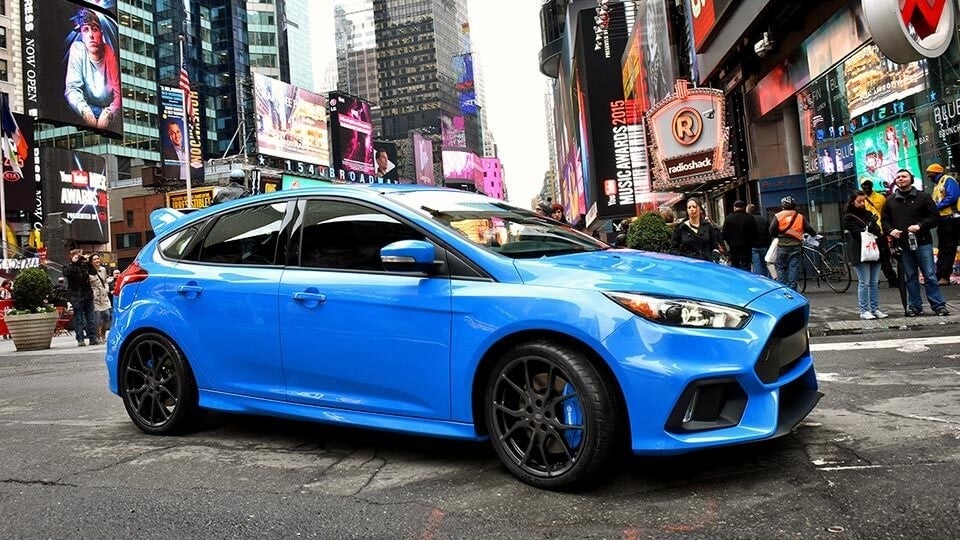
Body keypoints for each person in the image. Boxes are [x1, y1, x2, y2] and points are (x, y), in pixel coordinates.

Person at [882, 169, 949, 316]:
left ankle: (938, 305)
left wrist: (920, 226)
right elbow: (885, 221)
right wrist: (891, 231)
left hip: (923, 242)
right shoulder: (890, 201)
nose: (901, 179)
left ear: (911, 179)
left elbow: (934, 217)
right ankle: (914, 306)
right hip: (903, 245)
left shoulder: (923, 197)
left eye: (904, 176)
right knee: (910, 276)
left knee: (929, 274)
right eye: (898, 177)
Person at [64, 8, 121, 131]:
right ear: (82, 35)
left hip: (106, 110)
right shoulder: (77, 49)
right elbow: (72, 88)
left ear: (101, 33)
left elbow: (119, 94)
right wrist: (85, 111)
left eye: (94, 29)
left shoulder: (109, 52)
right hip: (84, 107)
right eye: (86, 30)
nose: (91, 35)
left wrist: (110, 113)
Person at [844, 192, 887, 320]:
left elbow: (878, 232)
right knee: (864, 282)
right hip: (860, 252)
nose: (862, 203)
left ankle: (874, 308)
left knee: (874, 282)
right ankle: (864, 310)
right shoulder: (849, 217)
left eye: (864, 201)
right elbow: (856, 233)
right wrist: (869, 227)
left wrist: (873, 226)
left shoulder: (868, 214)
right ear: (853, 202)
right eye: (859, 201)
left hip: (873, 251)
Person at [769, 196, 818, 291]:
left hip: (782, 245)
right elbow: (809, 229)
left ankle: (782, 289)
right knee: (794, 267)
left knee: (781, 267)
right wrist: (814, 235)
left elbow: (771, 230)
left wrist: (778, 236)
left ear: (782, 206)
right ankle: (792, 289)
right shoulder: (800, 217)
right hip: (796, 246)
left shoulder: (778, 216)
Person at [860, 179, 898, 288]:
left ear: (872, 185)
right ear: (862, 186)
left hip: (880, 232)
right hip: (867, 234)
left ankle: (892, 279)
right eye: (864, 185)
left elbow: (886, 214)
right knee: (870, 257)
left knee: (884, 256)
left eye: (868, 184)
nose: (866, 187)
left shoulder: (880, 198)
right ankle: (873, 281)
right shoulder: (860, 199)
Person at [928, 163, 960, 286]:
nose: (928, 176)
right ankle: (940, 275)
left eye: (930, 173)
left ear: (936, 172)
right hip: (943, 220)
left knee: (949, 249)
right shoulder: (938, 185)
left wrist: (936, 208)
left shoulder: (948, 180)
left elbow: (952, 196)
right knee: (943, 248)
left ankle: (945, 276)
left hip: (951, 219)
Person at [62, 249, 99, 346]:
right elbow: (67, 273)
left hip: (87, 295)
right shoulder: (68, 266)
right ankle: (80, 339)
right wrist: (74, 263)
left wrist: (88, 263)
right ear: (72, 256)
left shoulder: (85, 265)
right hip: (76, 296)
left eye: (80, 255)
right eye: (78, 255)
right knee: (78, 318)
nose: (80, 256)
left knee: (91, 318)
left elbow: (94, 272)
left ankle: (92, 338)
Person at [721, 200, 757, 270]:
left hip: (733, 247)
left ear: (734, 207)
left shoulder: (729, 218)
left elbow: (724, 234)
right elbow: (755, 233)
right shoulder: (750, 218)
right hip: (746, 247)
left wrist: (729, 242)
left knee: (735, 267)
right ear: (744, 208)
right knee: (746, 265)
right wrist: (751, 243)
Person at [89, 254, 112, 342]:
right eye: (94, 259)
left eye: (98, 258)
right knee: (97, 318)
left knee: (107, 315)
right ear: (91, 261)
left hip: (104, 295)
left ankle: (103, 333)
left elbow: (105, 281)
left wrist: (107, 289)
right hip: (94, 296)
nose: (97, 260)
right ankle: (97, 336)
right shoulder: (88, 271)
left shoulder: (102, 269)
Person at [747, 203, 771, 277]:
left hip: (753, 246)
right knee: (765, 264)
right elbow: (769, 232)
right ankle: (767, 279)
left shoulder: (748, 220)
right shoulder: (763, 219)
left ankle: (759, 281)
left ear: (748, 211)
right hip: (764, 245)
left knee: (756, 265)